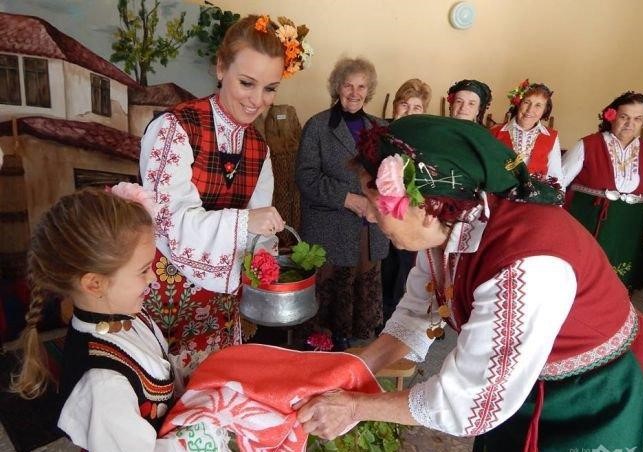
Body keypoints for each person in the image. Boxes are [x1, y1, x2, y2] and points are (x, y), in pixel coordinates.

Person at [295, 115, 643, 451]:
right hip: (520, 386)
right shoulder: (453, 223)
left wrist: (355, 407)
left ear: (426, 205)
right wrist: (357, 369)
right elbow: (420, 313)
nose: (369, 216)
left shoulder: (527, 265)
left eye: (377, 205)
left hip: (593, 395)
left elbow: (468, 404)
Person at [140, 15, 311, 374]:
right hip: (162, 295)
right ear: (220, 68)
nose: (257, 101)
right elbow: (170, 223)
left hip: (220, 304)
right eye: (247, 83)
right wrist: (247, 220)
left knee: (216, 390)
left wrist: (266, 267)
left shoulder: (258, 147)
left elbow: (259, 230)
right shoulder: (174, 129)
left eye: (270, 88)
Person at [10, 185, 230, 451]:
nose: (153, 278)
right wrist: (204, 440)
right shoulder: (103, 384)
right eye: (143, 270)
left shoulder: (129, 315)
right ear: (94, 284)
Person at [295, 57, 388, 350]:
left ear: (369, 90)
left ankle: (353, 351)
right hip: (330, 227)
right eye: (348, 85)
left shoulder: (379, 127)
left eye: (362, 86)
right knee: (330, 296)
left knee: (360, 291)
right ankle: (322, 346)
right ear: (338, 87)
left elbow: (390, 174)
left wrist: (380, 203)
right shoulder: (318, 126)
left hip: (369, 229)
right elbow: (305, 178)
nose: (354, 92)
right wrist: (348, 199)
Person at [562, 91, 643, 292]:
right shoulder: (588, 145)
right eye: (624, 117)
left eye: (638, 119)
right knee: (581, 278)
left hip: (628, 229)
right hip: (589, 223)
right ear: (611, 116)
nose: (630, 124)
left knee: (619, 283)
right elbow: (558, 185)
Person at [381, 78, 432, 322]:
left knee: (407, 268)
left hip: (411, 214)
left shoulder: (428, 142)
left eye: (417, 108)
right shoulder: (380, 135)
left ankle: (400, 319)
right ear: (394, 108)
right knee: (384, 267)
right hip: (379, 212)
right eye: (404, 105)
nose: (409, 112)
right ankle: (382, 316)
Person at [491, 79, 562, 182]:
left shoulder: (551, 137)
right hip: (499, 194)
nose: (530, 110)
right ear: (518, 104)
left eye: (538, 105)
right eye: (526, 102)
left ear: (545, 110)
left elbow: (555, 176)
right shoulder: (494, 132)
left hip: (535, 196)